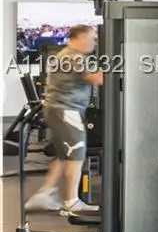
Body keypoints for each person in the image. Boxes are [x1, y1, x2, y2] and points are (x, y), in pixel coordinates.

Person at [24, 24, 102, 215]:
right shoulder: (74, 57)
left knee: (63, 156)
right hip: (66, 110)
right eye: (91, 39)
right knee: (76, 155)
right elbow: (96, 79)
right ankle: (72, 202)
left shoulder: (66, 54)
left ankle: (45, 193)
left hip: (57, 109)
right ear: (80, 38)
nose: (93, 43)